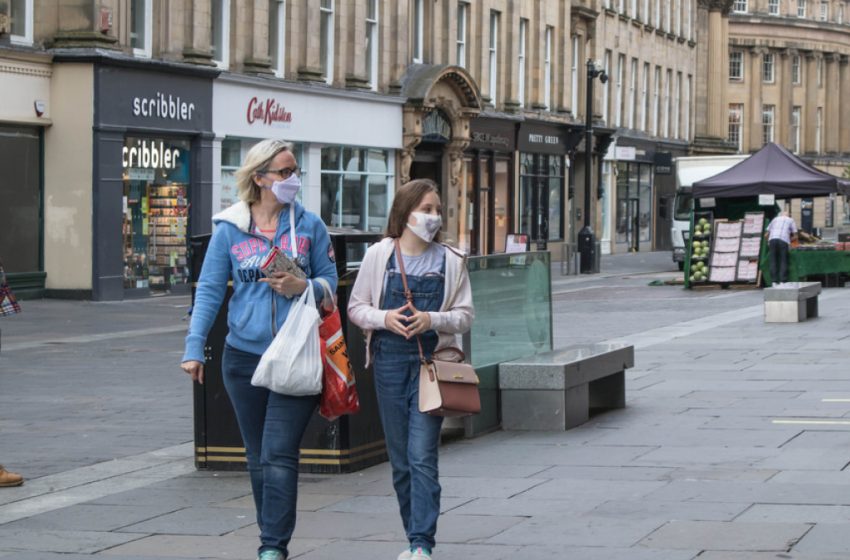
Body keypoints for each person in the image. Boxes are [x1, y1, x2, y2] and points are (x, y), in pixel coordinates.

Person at [180, 139, 337, 560]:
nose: (293, 180)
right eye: (284, 172)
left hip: (295, 354)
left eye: (295, 171)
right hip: (243, 357)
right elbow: (210, 290)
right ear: (259, 178)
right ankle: (272, 534)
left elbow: (331, 283)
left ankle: (272, 547)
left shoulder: (309, 227)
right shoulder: (230, 228)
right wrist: (194, 347)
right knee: (256, 456)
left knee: (278, 452)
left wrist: (304, 286)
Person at [348, 179, 474, 560]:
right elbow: (356, 307)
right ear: (404, 213)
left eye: (437, 210)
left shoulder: (451, 260)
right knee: (401, 460)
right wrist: (385, 318)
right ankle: (413, 536)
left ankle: (422, 543)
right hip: (388, 363)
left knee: (422, 456)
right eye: (426, 209)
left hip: (431, 367)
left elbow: (465, 317)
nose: (433, 217)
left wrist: (431, 319)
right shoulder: (379, 256)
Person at [765, 210, 798, 286]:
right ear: (788, 215)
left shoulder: (775, 219)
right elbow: (795, 236)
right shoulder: (790, 220)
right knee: (783, 260)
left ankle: (774, 282)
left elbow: (766, 235)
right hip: (783, 240)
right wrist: (789, 240)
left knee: (773, 260)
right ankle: (783, 281)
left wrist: (768, 242)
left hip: (772, 240)